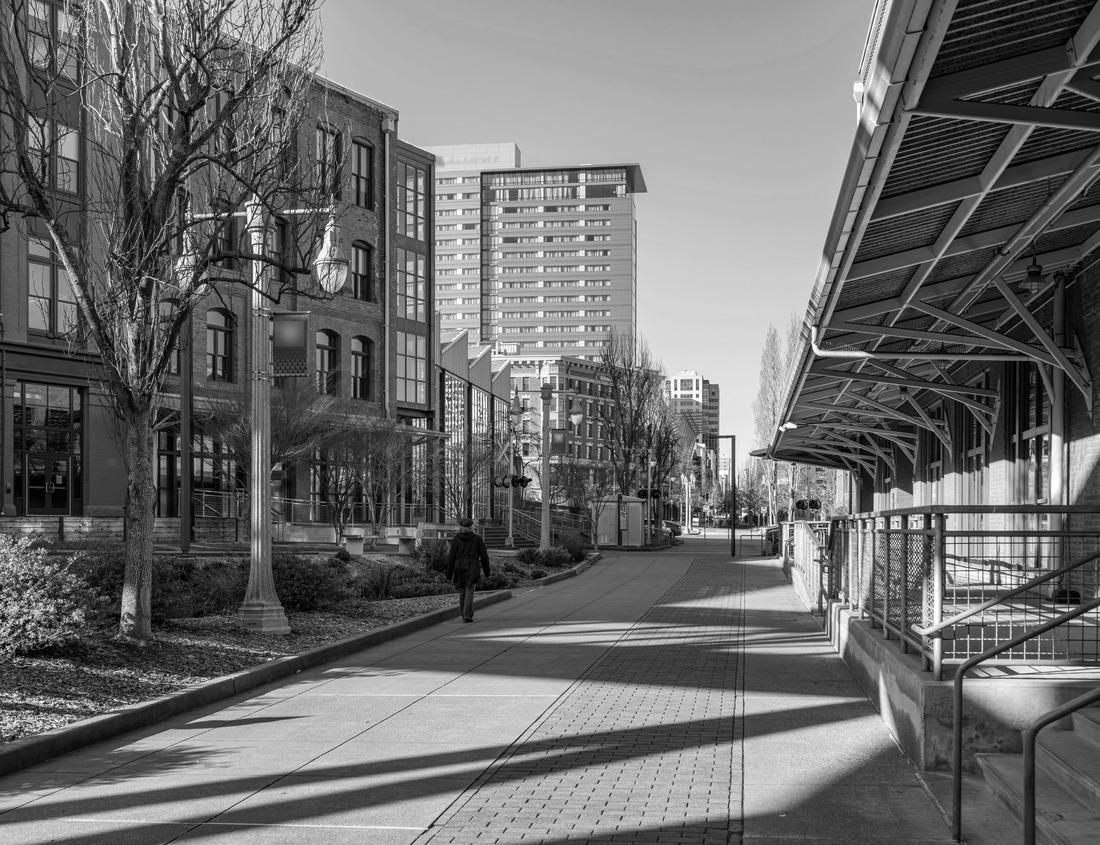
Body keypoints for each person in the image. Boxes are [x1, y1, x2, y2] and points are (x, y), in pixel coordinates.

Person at [445, 517, 491, 623]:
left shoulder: (456, 539)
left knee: (462, 590)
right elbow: (484, 556)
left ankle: (464, 614)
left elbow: (451, 557)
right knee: (469, 590)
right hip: (473, 566)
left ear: (460, 527)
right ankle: (467, 615)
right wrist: (487, 571)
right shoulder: (477, 539)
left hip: (459, 566)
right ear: (471, 527)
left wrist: (449, 573)